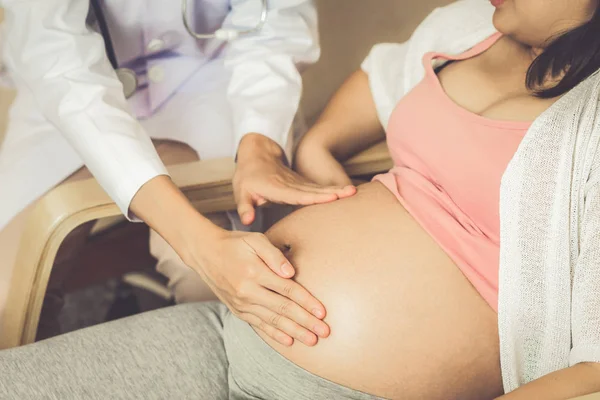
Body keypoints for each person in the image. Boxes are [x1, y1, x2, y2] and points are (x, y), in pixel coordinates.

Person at [2, 0, 600, 398]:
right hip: (228, 335)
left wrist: (260, 139)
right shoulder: (471, 25)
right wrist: (316, 153)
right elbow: (57, 63)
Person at [0, 0, 356, 345]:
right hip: (65, 99)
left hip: (208, 74)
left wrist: (260, 144)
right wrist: (198, 244)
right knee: (6, 304)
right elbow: (62, 71)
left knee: (215, 282)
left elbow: (274, 20)